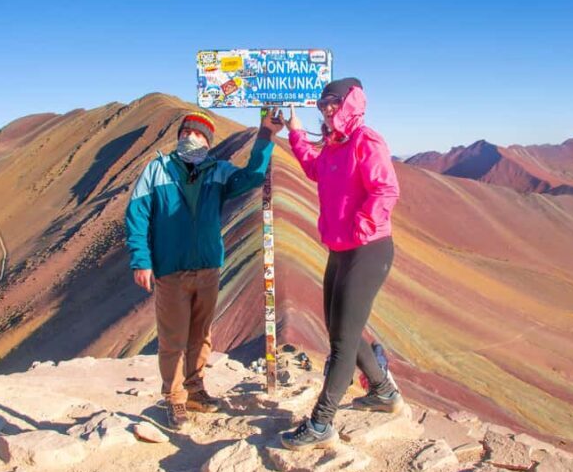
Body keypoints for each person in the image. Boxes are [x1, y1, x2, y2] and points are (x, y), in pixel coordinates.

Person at [125, 109, 280, 430]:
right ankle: (174, 398)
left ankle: (195, 390)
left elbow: (252, 176)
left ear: (208, 142)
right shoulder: (157, 170)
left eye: (198, 135)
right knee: (172, 338)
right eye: (186, 133)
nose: (190, 139)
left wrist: (265, 136)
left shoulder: (218, 171)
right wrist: (141, 260)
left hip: (208, 268)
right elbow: (137, 214)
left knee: (201, 335)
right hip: (171, 269)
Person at [280, 78, 402, 450]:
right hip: (341, 249)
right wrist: (295, 134)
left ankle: (321, 424)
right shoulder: (334, 146)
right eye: (323, 104)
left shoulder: (366, 140)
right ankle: (383, 392)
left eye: (334, 101)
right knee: (340, 329)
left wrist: (360, 227)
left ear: (351, 102)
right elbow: (315, 169)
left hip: (368, 249)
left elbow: (386, 189)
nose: (327, 108)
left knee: (342, 342)